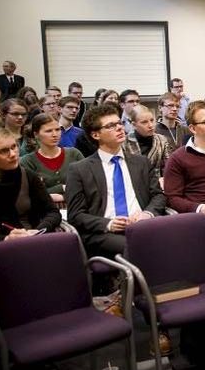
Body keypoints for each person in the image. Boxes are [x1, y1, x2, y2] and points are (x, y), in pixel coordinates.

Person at [65, 104, 167, 258]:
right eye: (111, 126)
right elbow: (76, 215)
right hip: (104, 232)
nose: (119, 128)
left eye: (119, 123)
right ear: (95, 135)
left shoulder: (141, 163)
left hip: (143, 225)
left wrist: (147, 214)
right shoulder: (80, 170)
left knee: (175, 236)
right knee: (139, 245)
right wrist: (108, 223)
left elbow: (158, 196)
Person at [0, 125, 61, 245]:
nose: (13, 154)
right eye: (3, 151)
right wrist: (5, 239)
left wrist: (38, 231)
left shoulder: (27, 175)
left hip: (29, 240)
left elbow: (52, 212)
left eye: (14, 147)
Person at [19, 113, 85, 205]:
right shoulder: (27, 161)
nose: (55, 134)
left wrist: (62, 197)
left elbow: (88, 186)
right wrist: (61, 188)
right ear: (36, 134)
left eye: (57, 130)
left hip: (77, 208)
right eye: (48, 131)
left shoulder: (74, 154)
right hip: (43, 212)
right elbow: (30, 195)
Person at [125, 104, 173, 181]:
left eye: (152, 120)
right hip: (134, 184)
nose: (150, 125)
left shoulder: (162, 140)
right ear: (134, 125)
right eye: (144, 122)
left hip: (157, 185)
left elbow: (169, 166)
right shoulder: (124, 143)